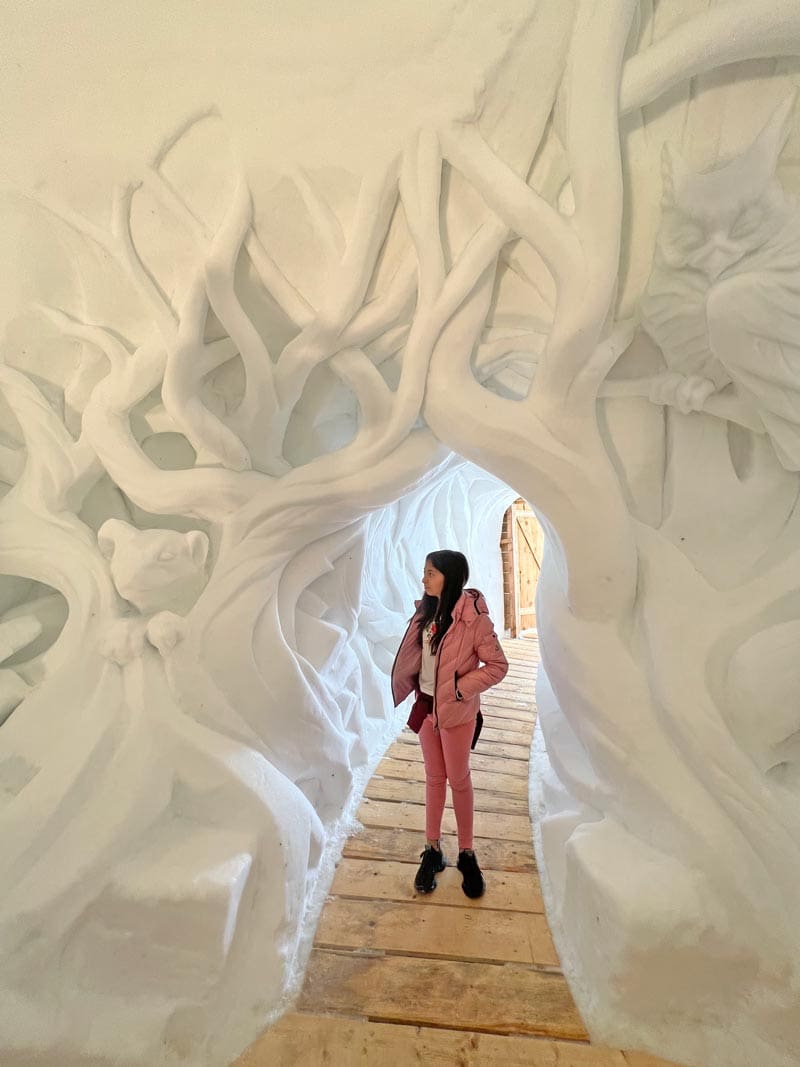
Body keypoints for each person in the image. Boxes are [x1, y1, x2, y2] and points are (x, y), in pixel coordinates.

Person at [391, 550, 508, 898]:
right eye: (424, 572)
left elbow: (497, 665)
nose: (424, 579)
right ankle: (433, 850)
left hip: (456, 714)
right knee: (434, 778)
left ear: (450, 577)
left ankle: (467, 854)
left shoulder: (474, 621)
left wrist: (459, 689)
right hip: (426, 709)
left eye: (431, 573)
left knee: (458, 779)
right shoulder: (424, 615)